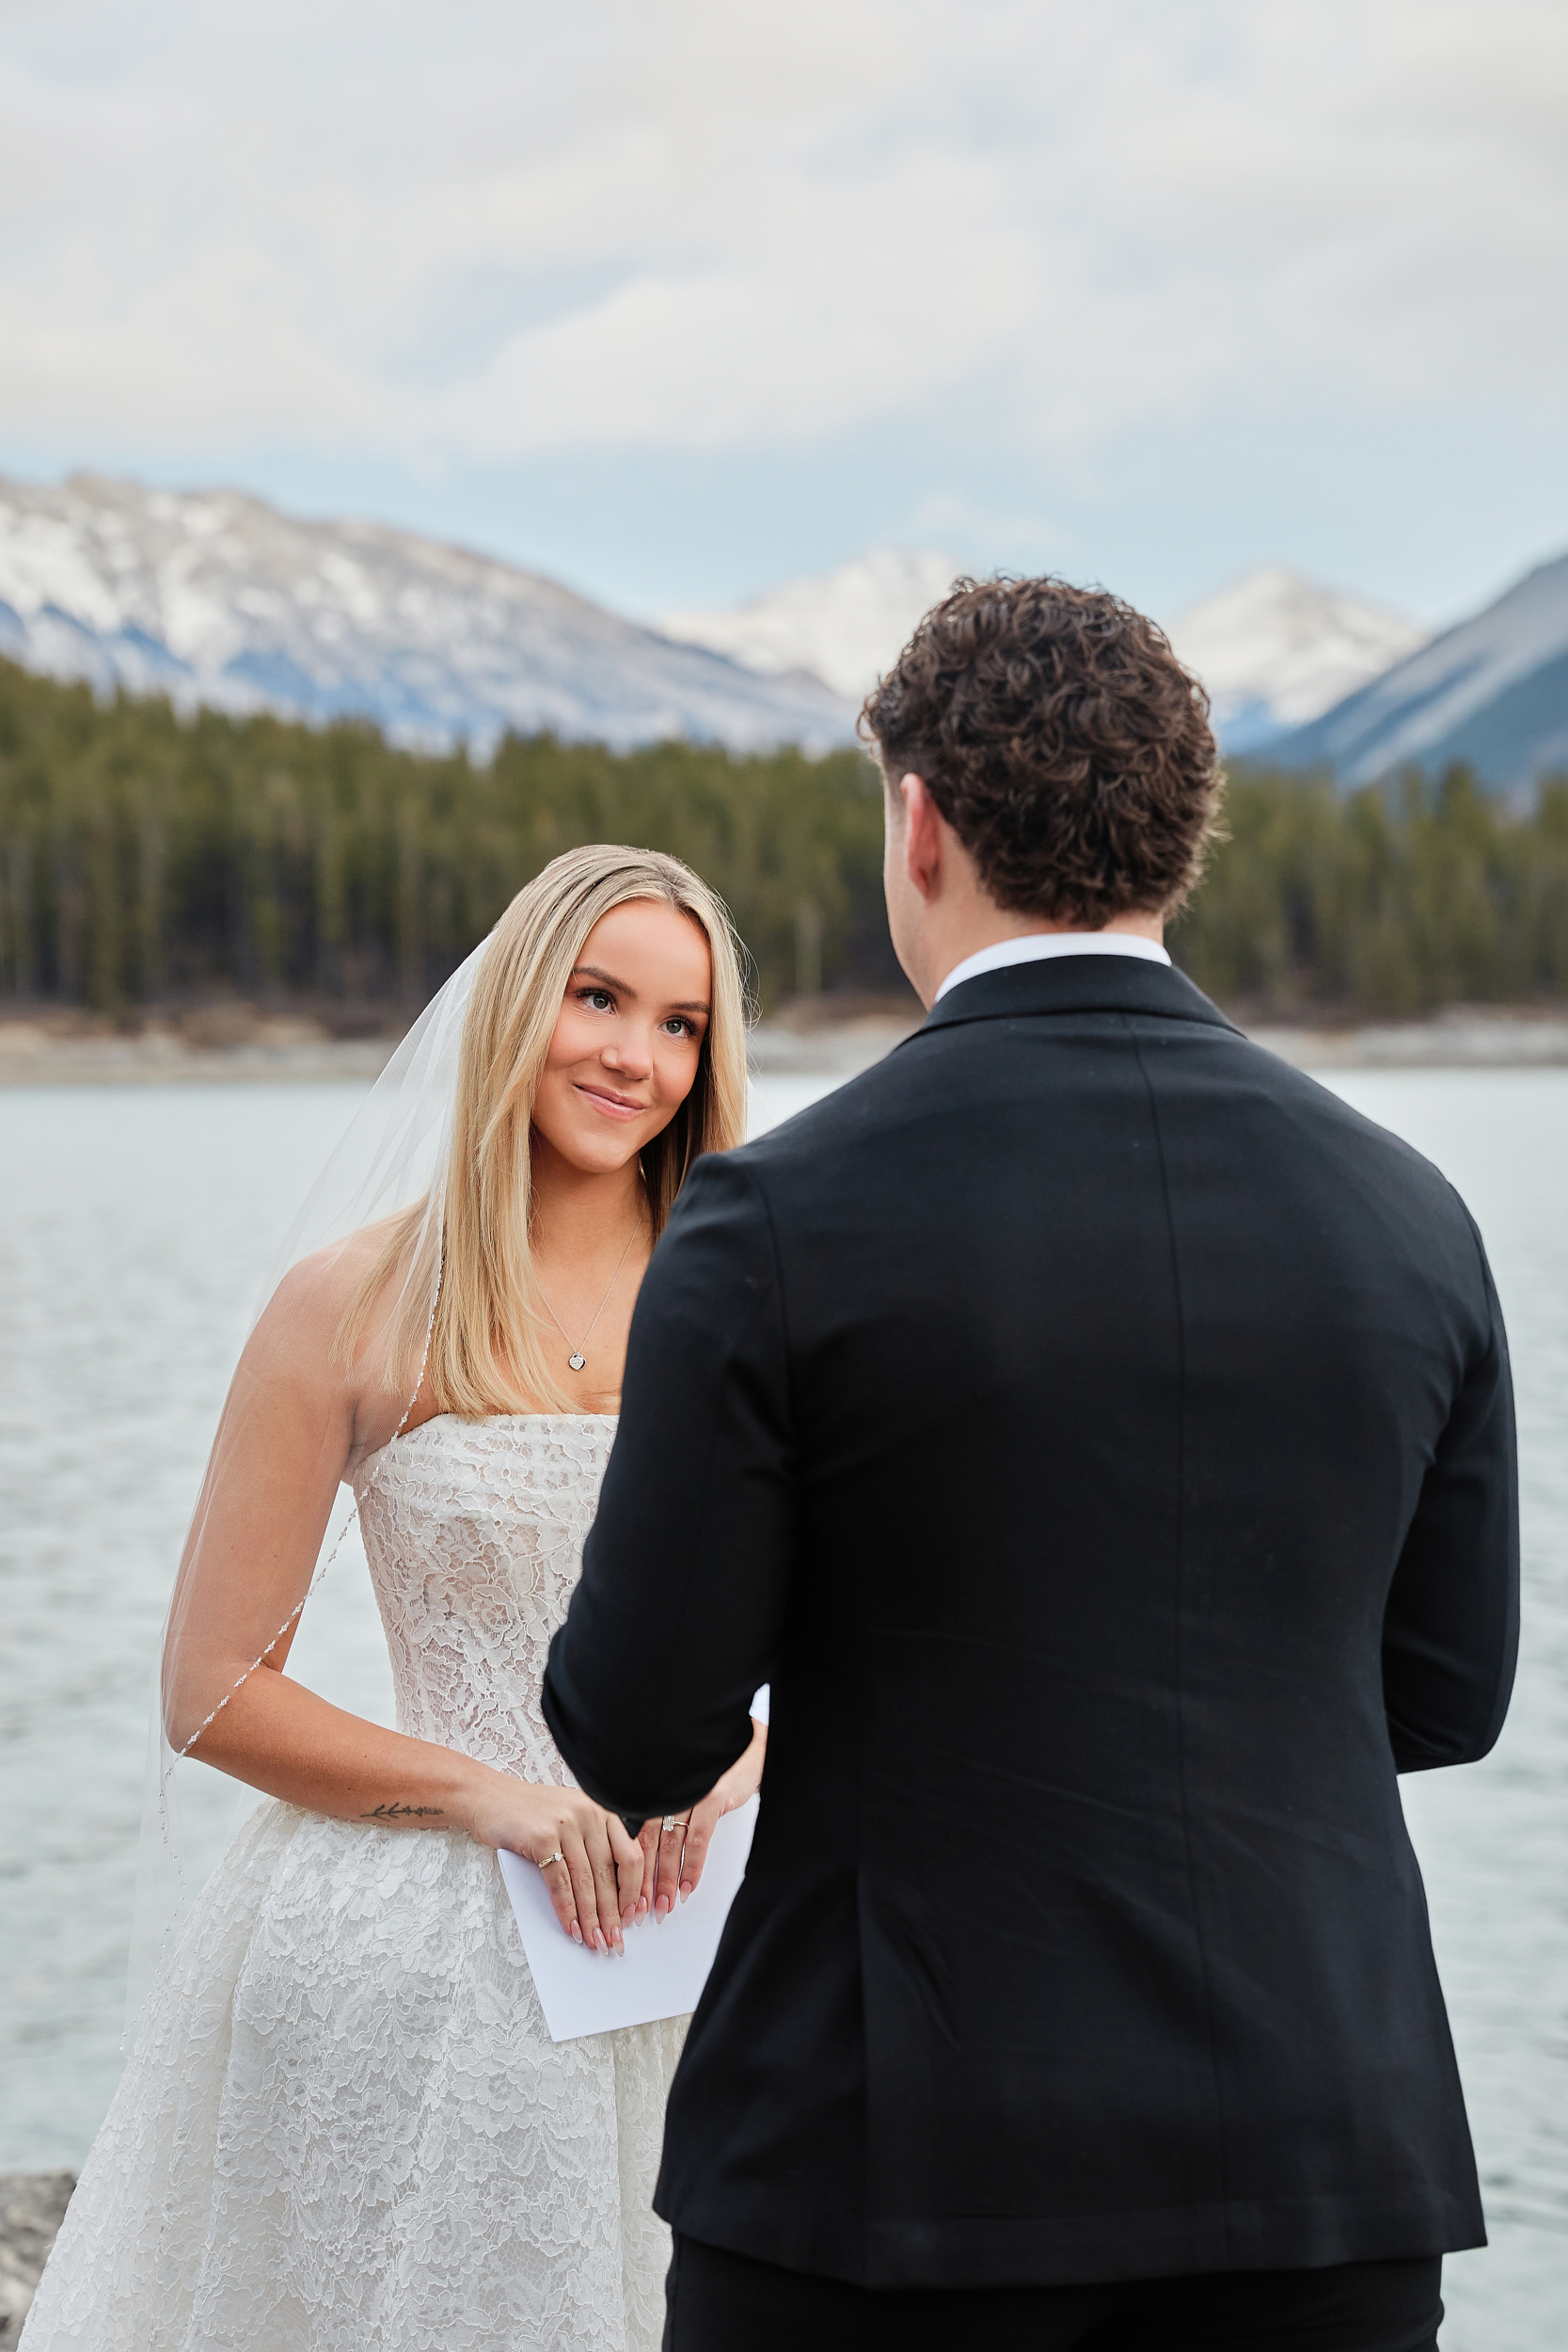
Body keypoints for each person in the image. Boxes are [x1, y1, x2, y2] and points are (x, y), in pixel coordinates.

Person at [543, 580, 1521, 2352]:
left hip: (890, 2181)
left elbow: (638, 1731)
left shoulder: (774, 1219)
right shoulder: (1413, 1218)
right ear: (1179, 839)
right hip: (1323, 2169)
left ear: (919, 823)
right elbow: (1448, 1693)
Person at [23, 845, 767, 2352]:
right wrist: (498, 1799)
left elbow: (870, 1635)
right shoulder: (351, 1306)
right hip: (447, 1944)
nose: (636, 1056)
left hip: (727, 1923)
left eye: (681, 1024)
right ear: (512, 1006)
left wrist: (743, 1766)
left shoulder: (755, 1289)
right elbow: (215, 1690)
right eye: (598, 997)